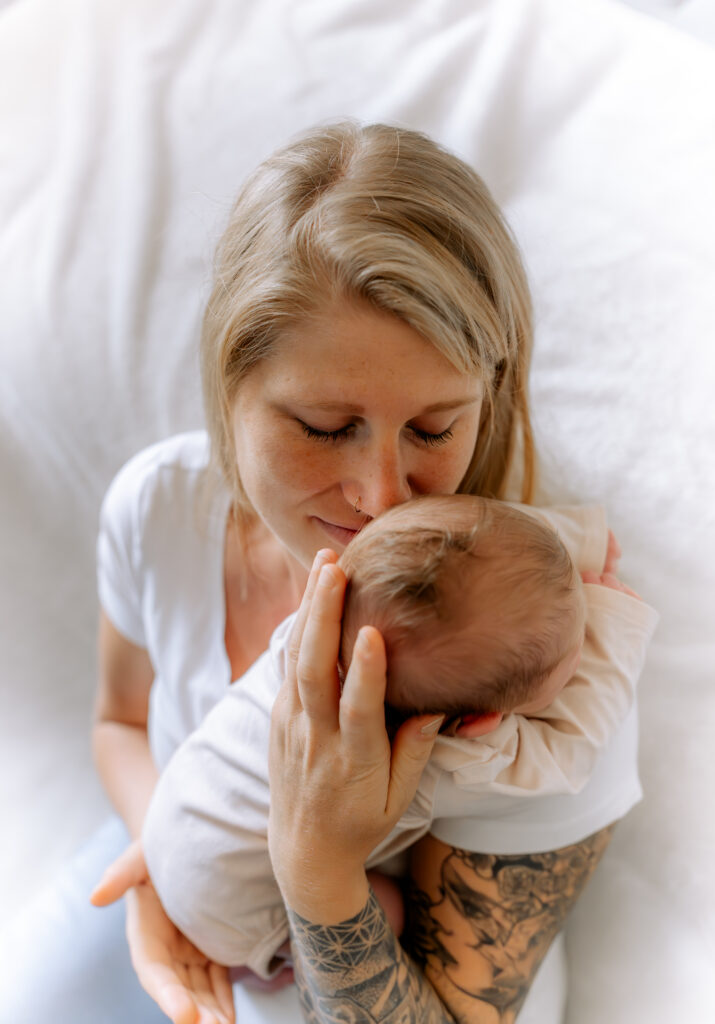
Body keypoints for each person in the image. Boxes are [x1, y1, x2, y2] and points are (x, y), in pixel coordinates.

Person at [0, 121, 646, 1024]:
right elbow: (122, 717)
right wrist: (166, 860)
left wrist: (320, 872)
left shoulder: (530, 650)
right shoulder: (159, 508)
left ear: (488, 397)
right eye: (322, 425)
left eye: (432, 429)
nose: (383, 495)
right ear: (231, 388)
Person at [137, 493, 657, 980]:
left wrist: (574, 549)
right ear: (478, 723)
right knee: (390, 912)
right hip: (226, 906)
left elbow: (476, 547)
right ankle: (266, 964)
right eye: (570, 672)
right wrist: (613, 630)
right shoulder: (444, 760)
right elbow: (568, 754)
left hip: (168, 810)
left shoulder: (319, 627)